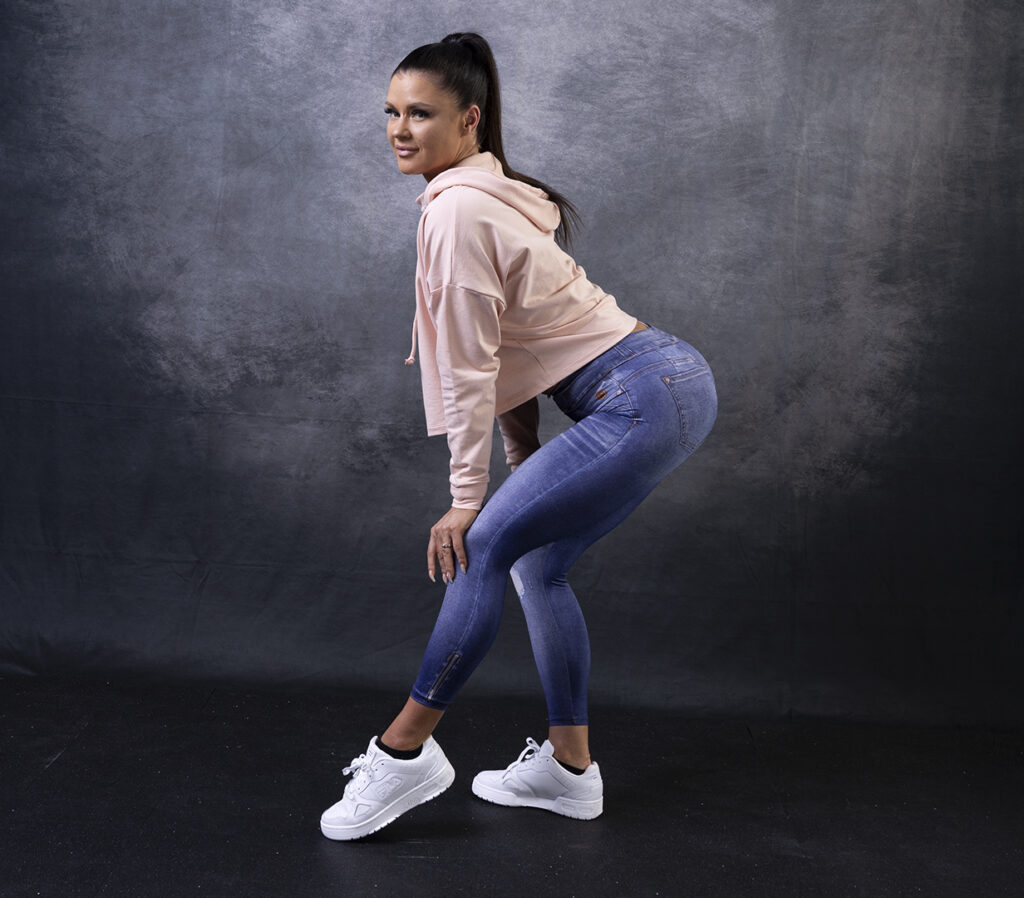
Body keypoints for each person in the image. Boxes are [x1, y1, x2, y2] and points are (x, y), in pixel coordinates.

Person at [320, 32, 717, 840]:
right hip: (671, 384)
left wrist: (469, 499)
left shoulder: (457, 210)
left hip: (638, 396)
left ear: (469, 119)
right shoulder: (487, 192)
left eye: (420, 114)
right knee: (536, 563)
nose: (399, 130)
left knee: (480, 548)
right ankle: (570, 773)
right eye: (390, 113)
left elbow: (472, 367)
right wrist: (527, 467)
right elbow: (508, 357)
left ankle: (405, 753)